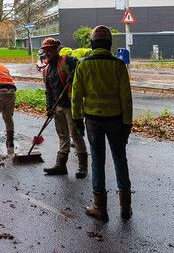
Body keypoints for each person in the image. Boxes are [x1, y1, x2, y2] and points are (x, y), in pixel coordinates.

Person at [71, 25, 133, 222]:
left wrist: (77, 119)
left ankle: (100, 207)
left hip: (93, 121)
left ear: (92, 43)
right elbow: (126, 97)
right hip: (116, 121)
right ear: (109, 44)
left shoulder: (83, 65)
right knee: (120, 159)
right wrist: (127, 123)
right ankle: (125, 207)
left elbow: (76, 96)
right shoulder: (118, 65)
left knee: (98, 160)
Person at [39, 37, 88, 178]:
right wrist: (49, 108)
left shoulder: (66, 60)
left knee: (76, 136)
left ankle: (82, 167)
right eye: (45, 51)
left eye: (49, 50)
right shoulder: (46, 69)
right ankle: (60, 165)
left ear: (56, 49)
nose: (47, 53)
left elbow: (81, 64)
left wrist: (73, 74)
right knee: (62, 136)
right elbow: (48, 91)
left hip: (71, 106)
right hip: (57, 107)